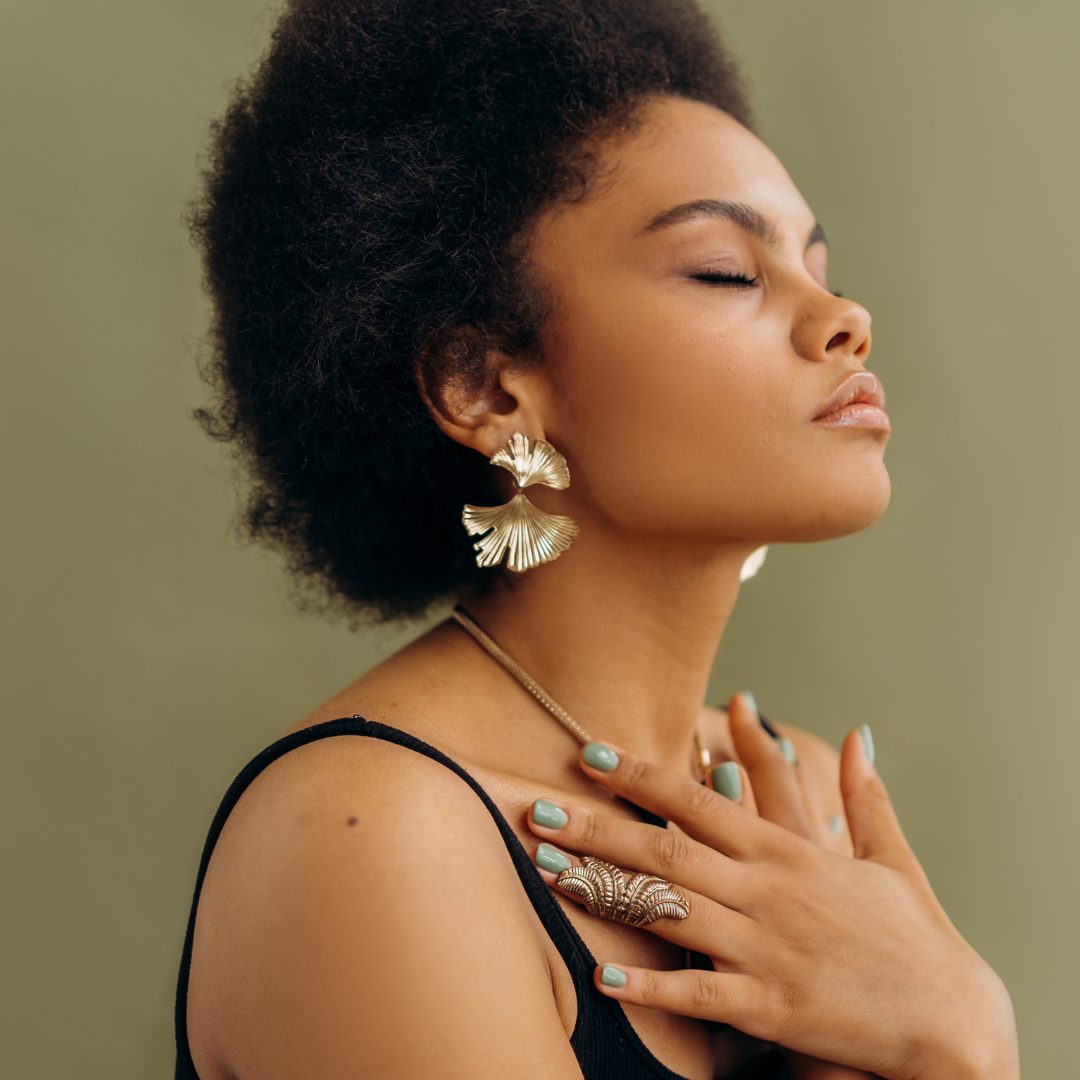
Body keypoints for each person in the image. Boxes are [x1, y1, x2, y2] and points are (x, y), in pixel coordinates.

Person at [173, 1, 1020, 1077]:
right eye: (727, 272)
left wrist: (948, 1024)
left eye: (822, 268)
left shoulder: (792, 797)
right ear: (485, 386)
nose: (844, 318)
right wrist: (960, 1036)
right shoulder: (373, 832)